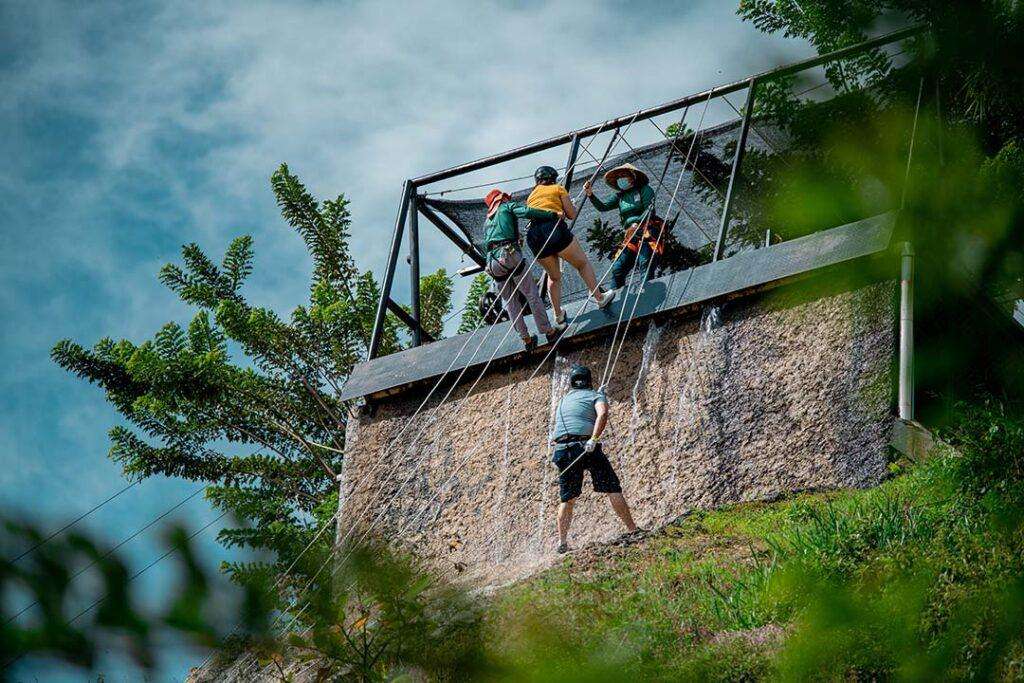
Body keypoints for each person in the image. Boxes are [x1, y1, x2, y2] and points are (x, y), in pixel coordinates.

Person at [549, 363, 638, 553]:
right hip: (585, 446)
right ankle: (633, 530)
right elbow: (603, 413)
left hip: (562, 449)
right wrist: (593, 439)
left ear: (572, 383)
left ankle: (562, 543)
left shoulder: (564, 400)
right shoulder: (595, 395)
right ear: (589, 381)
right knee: (612, 487)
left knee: (567, 499)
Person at [525, 166, 616, 324]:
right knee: (582, 264)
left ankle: (558, 314)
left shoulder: (531, 196)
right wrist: (569, 205)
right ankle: (600, 298)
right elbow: (571, 214)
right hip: (553, 230)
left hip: (534, 236)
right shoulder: (557, 188)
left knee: (554, 276)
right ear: (552, 178)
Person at [482, 189, 566, 349]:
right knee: (531, 294)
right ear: (501, 199)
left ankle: (526, 340)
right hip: (509, 254)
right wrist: (552, 214)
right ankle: (548, 332)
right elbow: (527, 211)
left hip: (492, 263)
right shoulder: (507, 207)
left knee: (510, 302)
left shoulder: (487, 222)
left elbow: (496, 238)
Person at [584, 162, 665, 290]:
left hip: (646, 230)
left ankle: (648, 290)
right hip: (630, 235)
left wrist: (637, 223)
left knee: (645, 261)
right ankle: (615, 295)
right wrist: (590, 194)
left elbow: (650, 210)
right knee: (618, 268)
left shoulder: (644, 189)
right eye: (618, 177)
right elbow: (603, 207)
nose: (620, 179)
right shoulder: (620, 197)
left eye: (623, 175)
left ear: (632, 177)